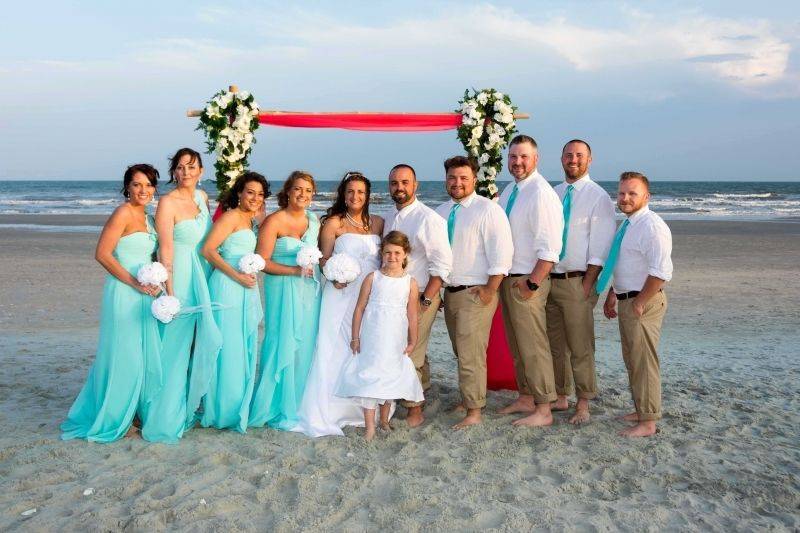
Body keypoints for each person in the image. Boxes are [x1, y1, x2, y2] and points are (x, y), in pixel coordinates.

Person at [61, 164, 163, 443]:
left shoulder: (149, 219)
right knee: (124, 353)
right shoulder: (123, 213)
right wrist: (134, 282)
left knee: (141, 355)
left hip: (145, 294)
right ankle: (119, 415)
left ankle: (135, 410)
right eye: (137, 184)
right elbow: (103, 254)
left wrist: (155, 280)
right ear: (127, 188)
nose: (143, 190)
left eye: (149, 185)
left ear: (154, 189)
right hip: (124, 291)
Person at [291, 171, 385, 437]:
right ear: (343, 195)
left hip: (369, 295)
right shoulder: (334, 223)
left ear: (368, 196)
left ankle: (361, 406)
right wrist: (333, 276)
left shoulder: (378, 223)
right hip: (340, 294)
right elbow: (323, 259)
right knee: (336, 346)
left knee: (364, 345)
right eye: (350, 191)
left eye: (361, 192)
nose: (355, 196)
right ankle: (331, 407)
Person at [142, 148, 222, 443]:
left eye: (191, 167)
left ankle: (189, 405)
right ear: (174, 172)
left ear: (201, 171)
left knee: (196, 344)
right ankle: (164, 415)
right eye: (180, 167)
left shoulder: (202, 198)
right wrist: (170, 294)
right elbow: (165, 249)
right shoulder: (167, 202)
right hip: (181, 278)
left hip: (202, 276)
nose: (185, 172)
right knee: (174, 348)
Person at [435, 156, 513, 429]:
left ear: (474, 180)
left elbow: (502, 253)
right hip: (451, 293)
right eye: (452, 178)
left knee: (470, 354)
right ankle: (469, 397)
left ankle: (474, 411)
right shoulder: (442, 212)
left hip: (475, 292)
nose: (457, 183)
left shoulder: (488, 210)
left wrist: (491, 289)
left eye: (463, 178)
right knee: (461, 351)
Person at [496, 136, 564, 427]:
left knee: (534, 346)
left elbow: (551, 247)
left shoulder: (541, 193)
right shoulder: (512, 189)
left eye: (523, 157)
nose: (517, 162)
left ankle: (544, 408)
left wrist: (532, 283)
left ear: (535, 159)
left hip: (527, 280)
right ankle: (526, 396)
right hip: (510, 279)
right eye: (513, 157)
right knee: (518, 344)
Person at [546, 139, 616, 423]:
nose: (573, 159)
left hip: (578, 282)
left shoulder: (597, 196)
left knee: (581, 345)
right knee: (555, 344)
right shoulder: (554, 193)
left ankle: (583, 403)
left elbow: (601, 245)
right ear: (561, 159)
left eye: (579, 155)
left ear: (589, 160)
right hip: (551, 280)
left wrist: (588, 285)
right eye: (568, 155)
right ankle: (561, 396)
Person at [601, 172, 672, 437]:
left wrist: (640, 302)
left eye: (632, 193)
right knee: (632, 359)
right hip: (627, 298)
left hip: (643, 302)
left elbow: (661, 272)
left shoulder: (651, 226)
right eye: (621, 193)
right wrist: (613, 293)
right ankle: (642, 409)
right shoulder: (629, 224)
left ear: (646, 196)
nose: (625, 198)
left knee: (643, 362)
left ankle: (648, 422)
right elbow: (624, 264)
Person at [249, 171, 322, 430]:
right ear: (288, 191)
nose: (303, 194)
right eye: (298, 189)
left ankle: (300, 401)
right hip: (281, 288)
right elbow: (262, 262)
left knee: (305, 343)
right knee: (281, 341)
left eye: (308, 191)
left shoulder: (314, 221)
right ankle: (276, 403)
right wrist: (294, 270)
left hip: (309, 293)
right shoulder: (274, 221)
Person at [336, 231, 424, 441]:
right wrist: (355, 337)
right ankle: (370, 427)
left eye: (397, 253)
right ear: (382, 254)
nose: (392, 257)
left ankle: (384, 420)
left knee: (390, 376)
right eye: (387, 253)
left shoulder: (410, 282)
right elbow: (359, 308)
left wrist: (413, 340)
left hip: (395, 336)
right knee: (370, 375)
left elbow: (412, 314)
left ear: (405, 255)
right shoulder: (373, 277)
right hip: (373, 334)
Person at [383, 163, 452, 427]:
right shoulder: (390, 216)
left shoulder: (428, 219)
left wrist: (426, 300)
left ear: (416, 185)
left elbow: (442, 265)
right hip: (395, 296)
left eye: (404, 182)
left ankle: (414, 411)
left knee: (411, 351)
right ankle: (421, 391)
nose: (399, 188)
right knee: (413, 348)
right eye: (394, 183)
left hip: (421, 295)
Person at [200, 172, 269, 432]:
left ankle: (236, 404)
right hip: (227, 287)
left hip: (244, 287)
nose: (254, 197)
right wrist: (236, 276)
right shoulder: (230, 216)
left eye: (260, 194)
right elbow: (207, 250)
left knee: (242, 345)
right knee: (228, 347)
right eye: (250, 192)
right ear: (239, 192)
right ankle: (223, 410)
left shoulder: (250, 219)